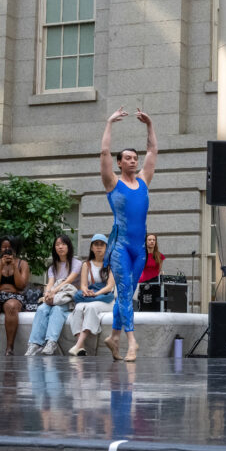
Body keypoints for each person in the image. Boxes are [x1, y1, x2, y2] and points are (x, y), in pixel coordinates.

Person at [100, 107, 158, 362]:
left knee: (126, 293)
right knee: (124, 293)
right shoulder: (113, 182)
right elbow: (103, 153)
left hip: (140, 250)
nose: (134, 160)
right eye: (128, 158)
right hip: (121, 246)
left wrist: (150, 125)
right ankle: (131, 343)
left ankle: (113, 337)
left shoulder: (144, 180)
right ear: (120, 163)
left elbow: (153, 151)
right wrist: (110, 123)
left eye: (135, 157)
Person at [25, 234, 82, 356]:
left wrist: (53, 292)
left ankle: (51, 342)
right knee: (41, 309)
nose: (60, 247)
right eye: (57, 245)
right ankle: (34, 344)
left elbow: (68, 281)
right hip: (54, 297)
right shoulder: (52, 267)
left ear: (68, 246)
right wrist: (47, 294)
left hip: (69, 298)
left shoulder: (77, 263)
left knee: (57, 309)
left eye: (63, 244)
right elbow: (50, 283)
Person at [0, 237, 30, 355]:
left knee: (11, 306)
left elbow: (21, 285)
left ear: (15, 248)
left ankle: (9, 348)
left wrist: (13, 266)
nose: (7, 250)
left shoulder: (22, 264)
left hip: (15, 296)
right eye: (4, 247)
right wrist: (1, 266)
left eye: (10, 247)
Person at [67, 234, 116, 356]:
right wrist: (85, 291)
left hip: (106, 299)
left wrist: (95, 294)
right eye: (96, 244)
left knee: (91, 307)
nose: (99, 247)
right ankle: (81, 348)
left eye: (102, 245)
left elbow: (109, 286)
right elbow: (83, 285)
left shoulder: (112, 265)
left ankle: (78, 344)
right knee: (78, 308)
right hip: (90, 296)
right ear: (92, 248)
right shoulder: (86, 264)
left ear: (106, 247)